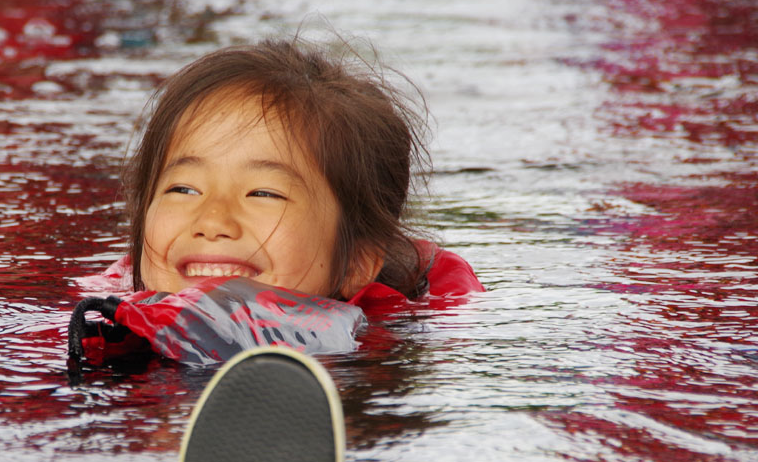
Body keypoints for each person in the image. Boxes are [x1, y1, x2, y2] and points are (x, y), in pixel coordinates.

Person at [106, 37, 483, 307]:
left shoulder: (382, 362)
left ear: (356, 262)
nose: (212, 220)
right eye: (183, 189)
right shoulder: (92, 328)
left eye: (263, 193)